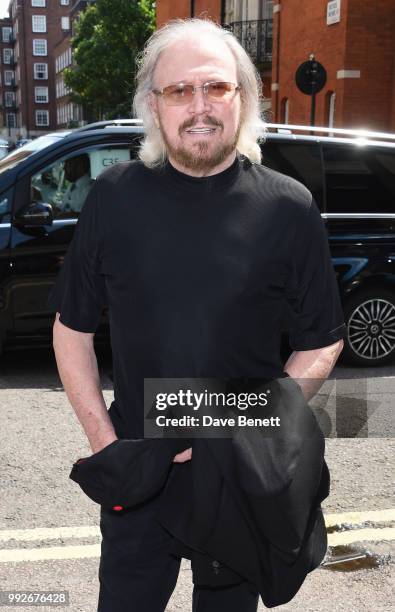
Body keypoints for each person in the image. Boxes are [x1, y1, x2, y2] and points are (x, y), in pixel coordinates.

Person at [47, 17, 346, 612]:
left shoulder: (289, 208)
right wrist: (107, 444)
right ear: (153, 106)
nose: (199, 106)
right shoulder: (113, 198)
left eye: (216, 87)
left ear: (243, 98)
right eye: (179, 91)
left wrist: (243, 428)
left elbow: (321, 340)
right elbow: (71, 330)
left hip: (239, 478)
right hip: (140, 469)